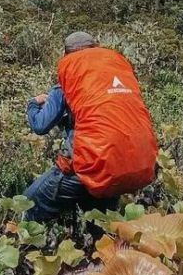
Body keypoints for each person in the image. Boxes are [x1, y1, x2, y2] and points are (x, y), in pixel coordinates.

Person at [24, 30, 158, 221]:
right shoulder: (118, 78)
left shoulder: (65, 85)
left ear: (65, 54)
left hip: (86, 166)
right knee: (101, 230)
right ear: (97, 48)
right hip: (119, 170)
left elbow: (40, 125)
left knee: (25, 206)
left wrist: (33, 103)